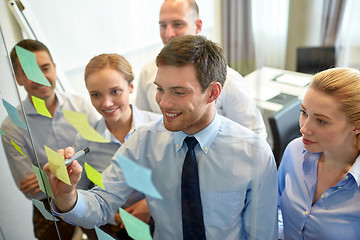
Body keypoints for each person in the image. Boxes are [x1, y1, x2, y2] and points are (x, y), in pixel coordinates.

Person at [44, 35, 278, 239]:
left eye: (178, 92)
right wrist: (68, 197)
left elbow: (261, 234)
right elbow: (103, 203)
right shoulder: (143, 141)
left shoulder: (254, 154)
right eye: (160, 89)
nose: (164, 103)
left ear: (213, 92)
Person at [1, 39, 98, 240]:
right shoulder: (11, 127)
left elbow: (102, 159)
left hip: (93, 198)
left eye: (44, 68)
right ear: (17, 78)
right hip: (50, 213)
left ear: (54, 68)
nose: (39, 78)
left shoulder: (80, 105)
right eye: (29, 72)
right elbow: (32, 191)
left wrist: (46, 175)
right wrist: (78, 167)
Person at [135, 0, 267, 139]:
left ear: (197, 26)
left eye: (177, 24)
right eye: (163, 25)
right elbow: (143, 122)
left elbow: (255, 136)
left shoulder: (228, 80)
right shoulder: (148, 73)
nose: (168, 34)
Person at [74, 53, 161, 239]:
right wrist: (114, 217)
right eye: (96, 95)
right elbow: (81, 193)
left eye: (115, 91)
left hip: (166, 222)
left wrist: (150, 205)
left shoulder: (160, 127)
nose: (106, 103)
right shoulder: (85, 143)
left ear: (130, 87)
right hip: (117, 230)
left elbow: (180, 178)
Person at [277, 67, 360, 239]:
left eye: (321, 121)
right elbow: (275, 207)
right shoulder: (294, 151)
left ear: (356, 126)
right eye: (304, 113)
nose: (304, 128)